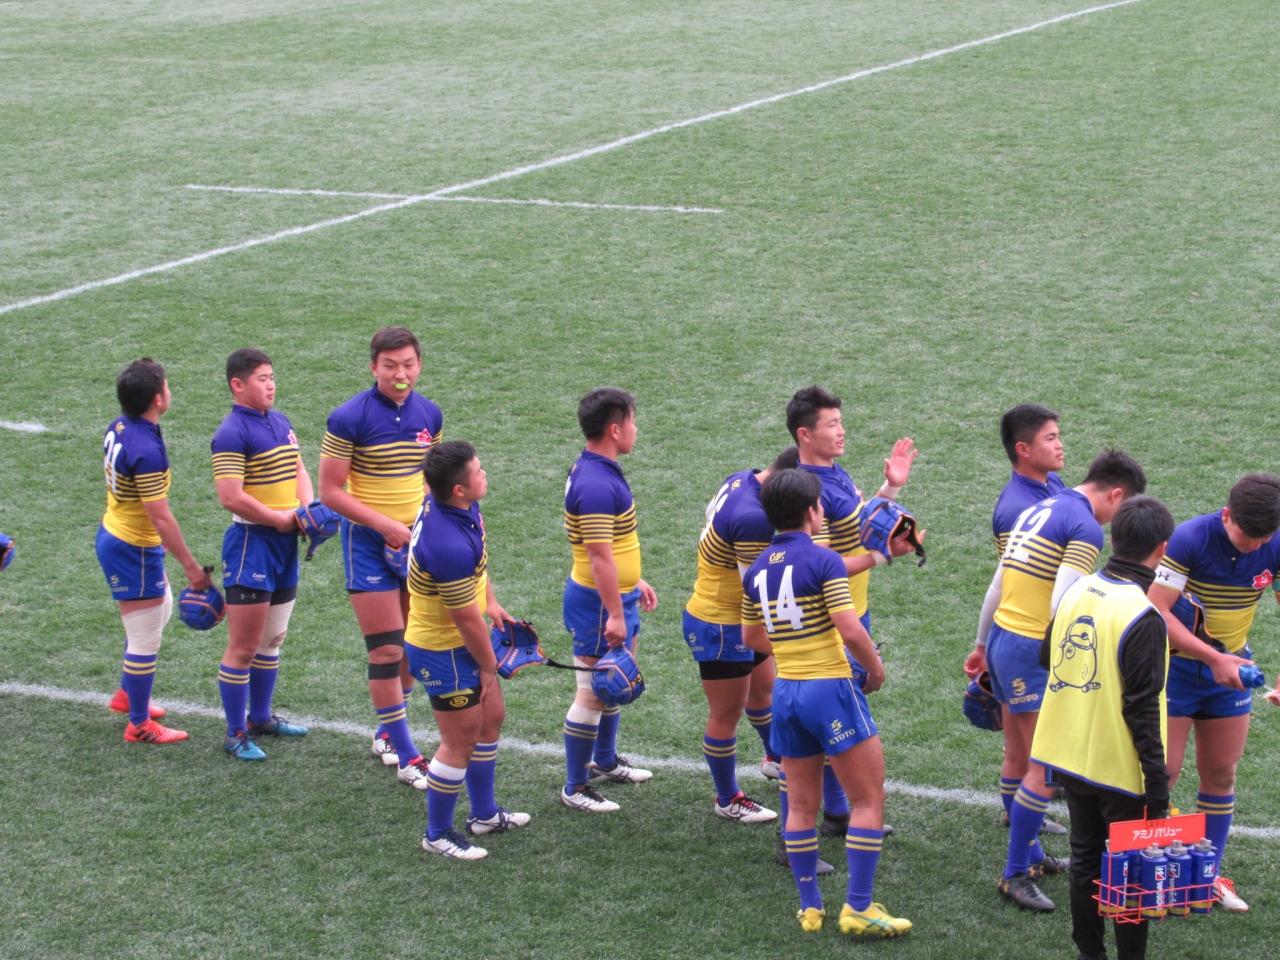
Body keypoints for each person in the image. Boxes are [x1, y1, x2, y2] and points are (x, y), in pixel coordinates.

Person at [742, 468, 910, 938]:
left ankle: (810, 908)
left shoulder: (757, 571)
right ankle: (859, 907)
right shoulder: (823, 561)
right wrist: (875, 670)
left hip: (787, 693)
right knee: (868, 798)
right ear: (813, 512)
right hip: (830, 688)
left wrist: (792, 646)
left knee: (800, 806)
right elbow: (850, 628)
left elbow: (751, 638)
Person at [977, 449, 1147, 911]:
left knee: (1018, 755)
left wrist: (981, 642)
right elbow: (1062, 606)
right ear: (1117, 494)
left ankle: (1031, 854)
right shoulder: (1085, 527)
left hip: (1003, 637)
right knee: (1045, 767)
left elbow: (996, 584)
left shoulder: (1040, 508)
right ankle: (1015, 873)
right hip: (1032, 648)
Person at [1031, 495, 1175, 960]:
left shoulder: (1077, 590)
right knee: (1131, 875)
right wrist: (1157, 785)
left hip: (1069, 756)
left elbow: (1046, 655)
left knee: (1085, 859)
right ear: (1162, 549)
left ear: (1114, 538)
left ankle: (1089, 954)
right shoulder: (1144, 616)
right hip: (1118, 770)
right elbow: (1142, 709)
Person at [788, 385, 919, 837]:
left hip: (853, 606)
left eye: (841, 422)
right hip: (832, 619)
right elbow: (821, 563)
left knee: (839, 717)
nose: (841, 431)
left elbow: (861, 525)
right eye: (832, 424)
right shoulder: (811, 490)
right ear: (805, 434)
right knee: (838, 719)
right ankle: (827, 818)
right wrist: (882, 557)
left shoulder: (833, 473)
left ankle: (838, 812)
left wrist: (892, 486)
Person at [1147, 473, 1280, 913]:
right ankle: (1151, 873)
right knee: (1163, 772)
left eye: (1264, 539)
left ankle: (1207, 875)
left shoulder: (1274, 542)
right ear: (1227, 516)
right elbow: (1156, 609)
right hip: (1177, 669)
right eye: (1247, 537)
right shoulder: (1190, 539)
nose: (1256, 547)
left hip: (1232, 670)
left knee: (1221, 772)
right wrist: (1213, 658)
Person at [319, 327, 442, 789]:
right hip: (368, 544)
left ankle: (387, 734)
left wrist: (428, 520)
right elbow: (331, 491)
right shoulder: (348, 417)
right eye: (389, 365)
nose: (399, 373)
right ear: (374, 367)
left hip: (413, 543)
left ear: (419, 365)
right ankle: (409, 755)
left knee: (410, 643)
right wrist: (384, 526)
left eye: (408, 364)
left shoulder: (429, 414)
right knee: (387, 649)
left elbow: (429, 477)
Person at [406, 441, 530, 861]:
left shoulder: (459, 508)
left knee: (491, 717)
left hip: (459, 641)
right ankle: (438, 833)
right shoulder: (447, 544)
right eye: (478, 471)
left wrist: (491, 602)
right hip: (442, 649)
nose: (484, 474)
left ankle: (484, 814)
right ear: (458, 489)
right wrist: (488, 667)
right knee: (458, 740)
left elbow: (478, 569)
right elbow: (464, 620)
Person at [964, 403, 1068, 835]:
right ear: (1023, 449)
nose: (1060, 445)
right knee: (1026, 746)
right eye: (1050, 438)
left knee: (1024, 745)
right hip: (1028, 636)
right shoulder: (1015, 510)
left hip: (1035, 632)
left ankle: (1023, 812)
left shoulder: (1052, 484)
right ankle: (1022, 819)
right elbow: (1005, 581)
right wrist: (982, 644)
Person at [682, 447, 801, 825]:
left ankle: (775, 759)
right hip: (722, 624)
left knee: (764, 692)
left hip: (735, 616)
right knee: (726, 714)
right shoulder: (754, 519)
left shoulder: (743, 479)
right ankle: (727, 798)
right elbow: (757, 589)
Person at [97, 358, 212, 743]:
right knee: (145, 637)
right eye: (166, 385)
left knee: (160, 610)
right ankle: (139, 724)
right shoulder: (146, 449)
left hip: (120, 532)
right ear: (158, 399)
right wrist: (191, 568)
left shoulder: (121, 425)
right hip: (133, 547)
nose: (169, 389)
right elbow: (160, 517)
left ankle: (127, 694)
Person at [559, 387, 659, 813]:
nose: (636, 429)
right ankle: (575, 786)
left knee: (614, 681)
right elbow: (598, 556)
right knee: (593, 692)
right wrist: (615, 613)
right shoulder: (597, 484)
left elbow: (610, 546)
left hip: (615, 594)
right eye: (632, 421)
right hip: (599, 602)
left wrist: (635, 581)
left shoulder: (598, 469)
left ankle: (604, 760)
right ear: (615, 429)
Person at [210, 348, 312, 761]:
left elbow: (299, 470)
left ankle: (261, 717)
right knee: (244, 646)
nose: (271, 385)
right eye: (262, 379)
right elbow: (230, 497)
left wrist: (307, 510)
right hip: (252, 545)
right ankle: (235, 733)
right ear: (238, 385)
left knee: (273, 639)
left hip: (284, 543)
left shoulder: (280, 421)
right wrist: (281, 520)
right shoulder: (231, 433)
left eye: (272, 377)